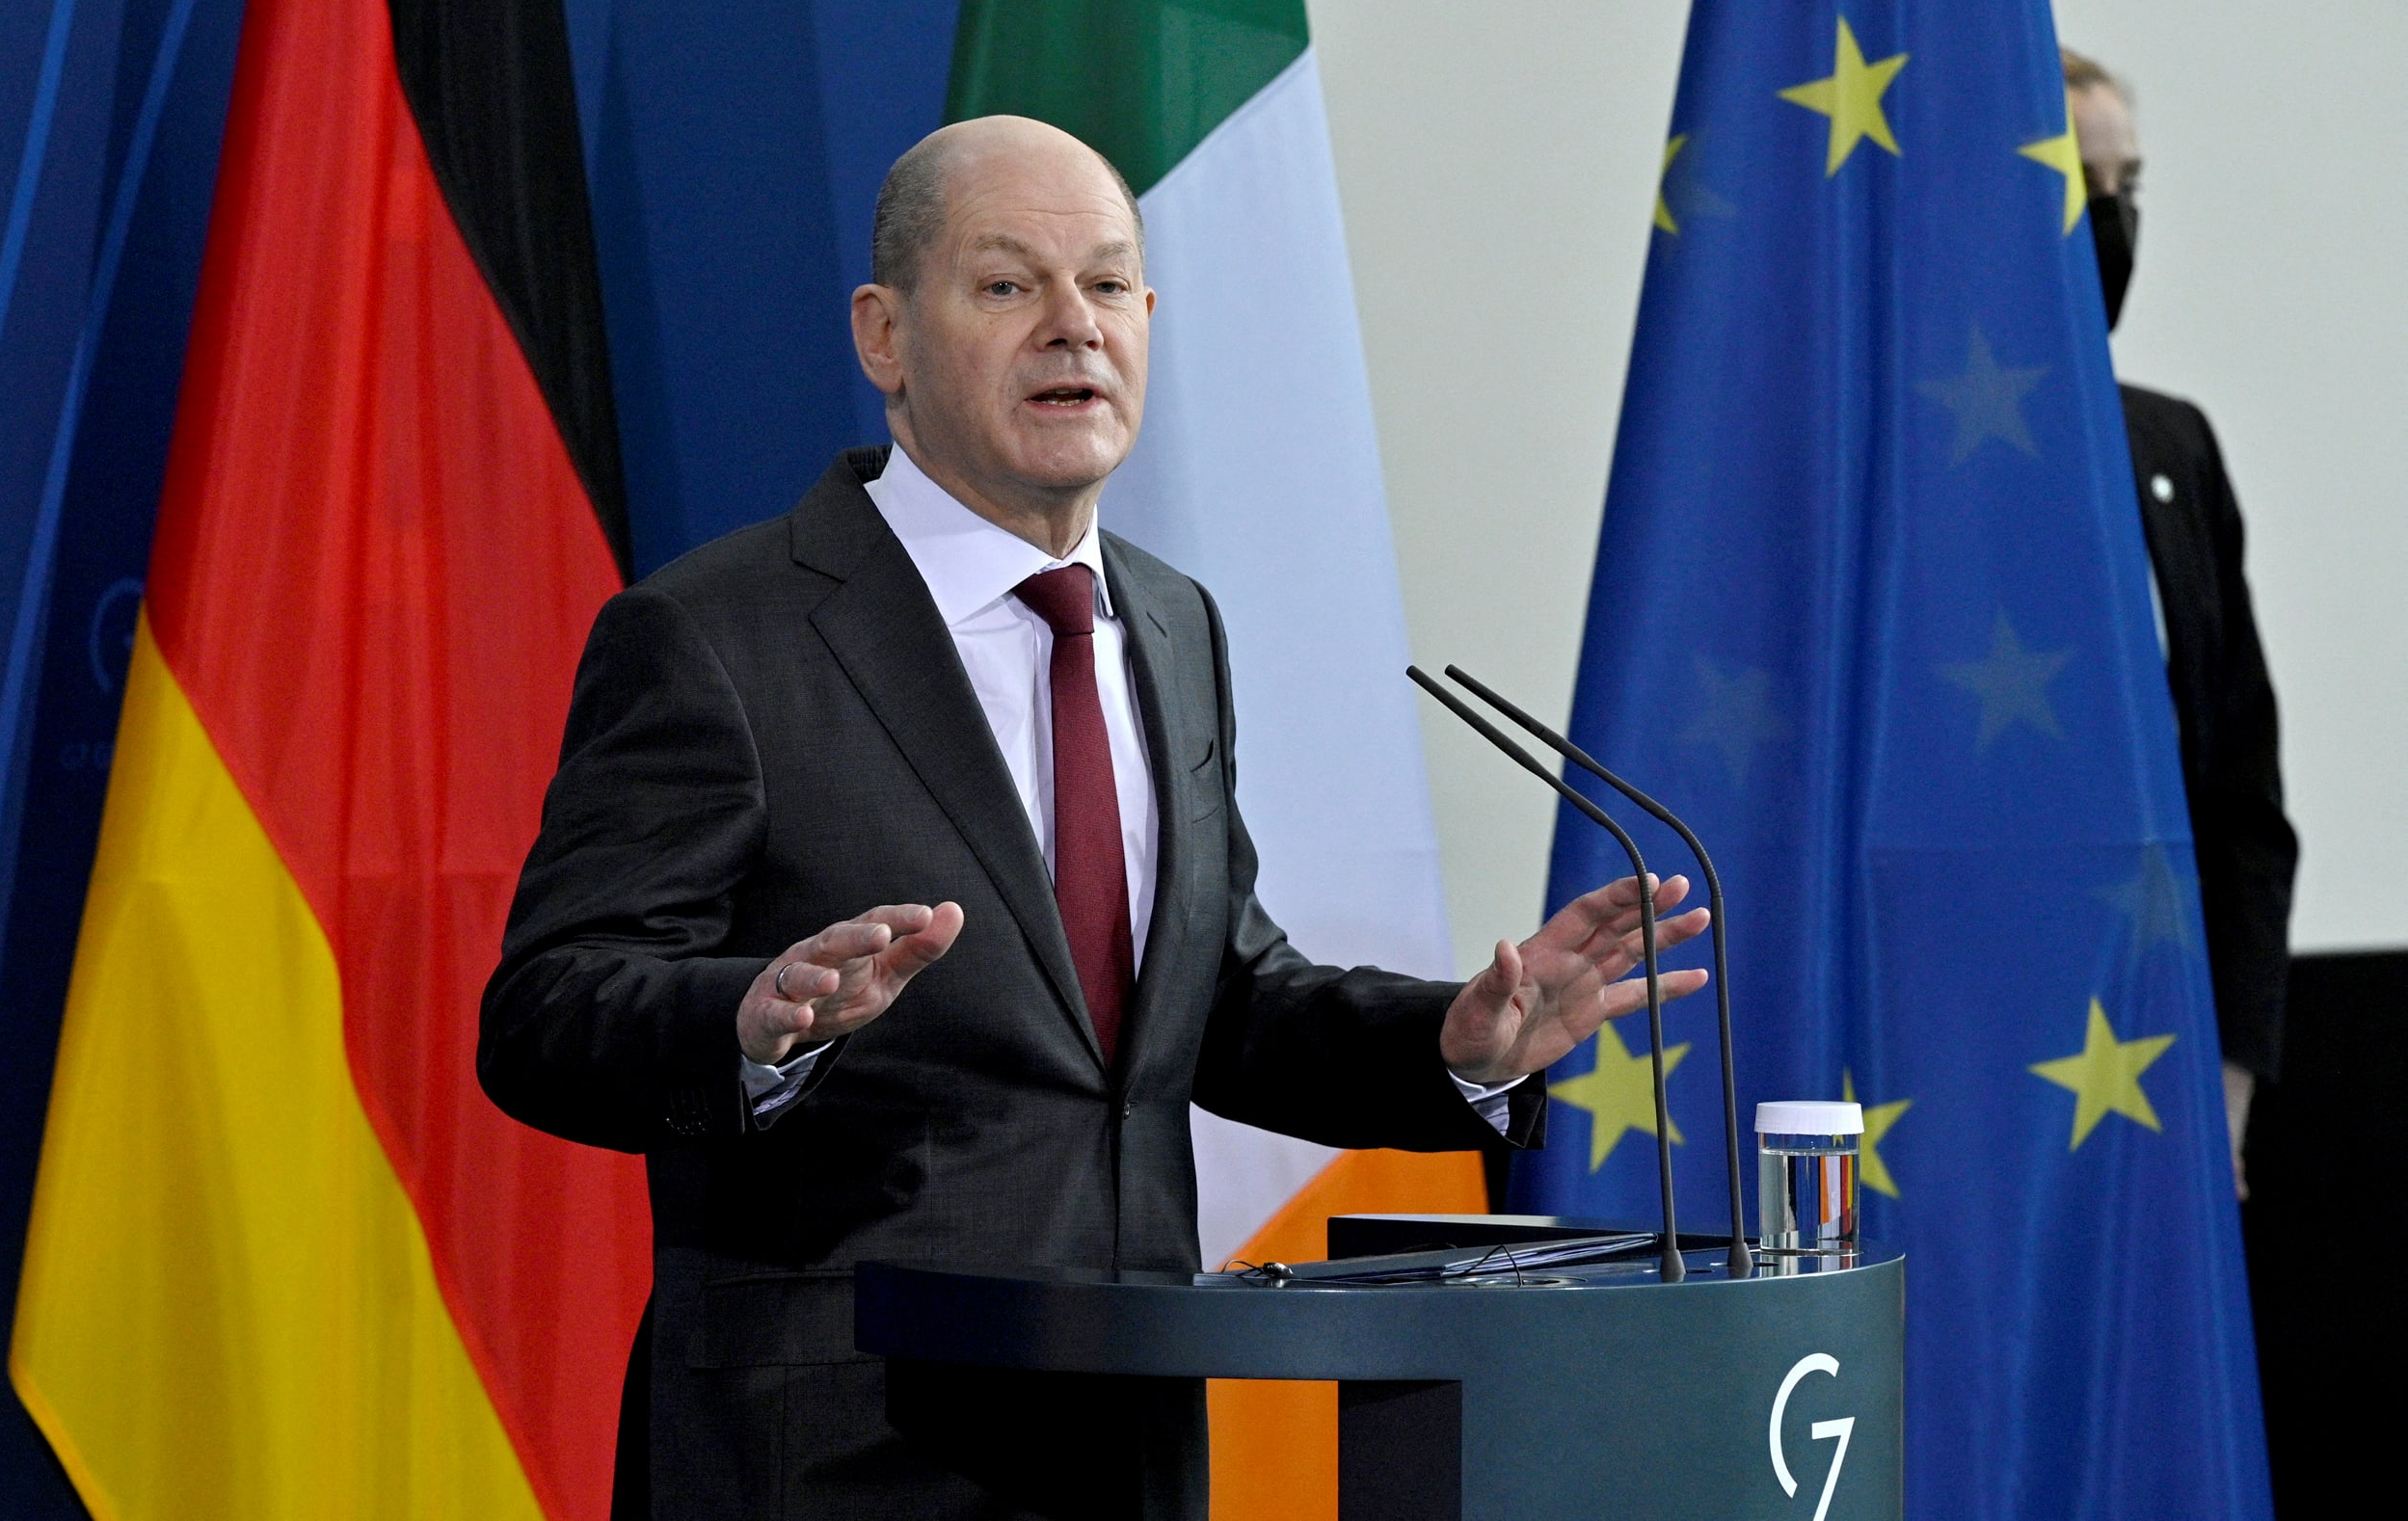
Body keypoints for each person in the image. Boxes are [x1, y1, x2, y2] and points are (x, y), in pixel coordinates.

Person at [478, 115, 1711, 1521]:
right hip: (827, 1449)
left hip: (1121, 1439)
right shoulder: (717, 634)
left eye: (1109, 284)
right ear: (884, 334)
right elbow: (544, 1012)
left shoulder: (1169, 622)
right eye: (1008, 285)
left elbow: (1215, 999)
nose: (1074, 326)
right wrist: (747, 1021)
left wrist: (1452, 1042)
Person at [2064, 49, 2298, 1197]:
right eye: (2078, 186)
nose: (2112, 226)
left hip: (2150, 1064)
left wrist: (2230, 1077)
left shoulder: (2171, 448)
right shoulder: (1887, 473)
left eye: (2130, 190)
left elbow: (2242, 795)